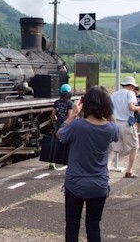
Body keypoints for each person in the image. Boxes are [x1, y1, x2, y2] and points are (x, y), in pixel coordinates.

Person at [57, 85, 119, 242]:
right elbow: (116, 130)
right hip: (99, 185)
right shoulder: (110, 128)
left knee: (72, 227)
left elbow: (60, 133)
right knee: (93, 227)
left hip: (75, 184)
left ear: (86, 104)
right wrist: (107, 110)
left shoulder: (78, 125)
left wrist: (74, 114)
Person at [108, 76, 140, 178]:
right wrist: (138, 108)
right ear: (131, 86)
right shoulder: (130, 93)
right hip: (126, 123)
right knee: (135, 147)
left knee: (115, 149)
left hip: (115, 123)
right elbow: (131, 107)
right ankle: (129, 171)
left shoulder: (114, 94)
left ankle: (106, 169)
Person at [49, 83, 74, 170]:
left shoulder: (56, 103)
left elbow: (53, 115)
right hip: (66, 125)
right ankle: (67, 161)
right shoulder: (70, 103)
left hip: (57, 124)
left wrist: (56, 119)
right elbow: (70, 115)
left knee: (55, 143)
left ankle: (52, 162)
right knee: (68, 143)